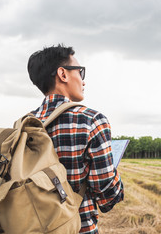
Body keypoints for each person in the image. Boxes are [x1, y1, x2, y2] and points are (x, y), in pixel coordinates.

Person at [27, 44, 124, 234]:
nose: (83, 81)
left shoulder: (25, 124)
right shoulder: (92, 121)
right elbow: (106, 196)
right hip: (78, 228)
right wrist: (116, 179)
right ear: (63, 74)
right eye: (80, 72)